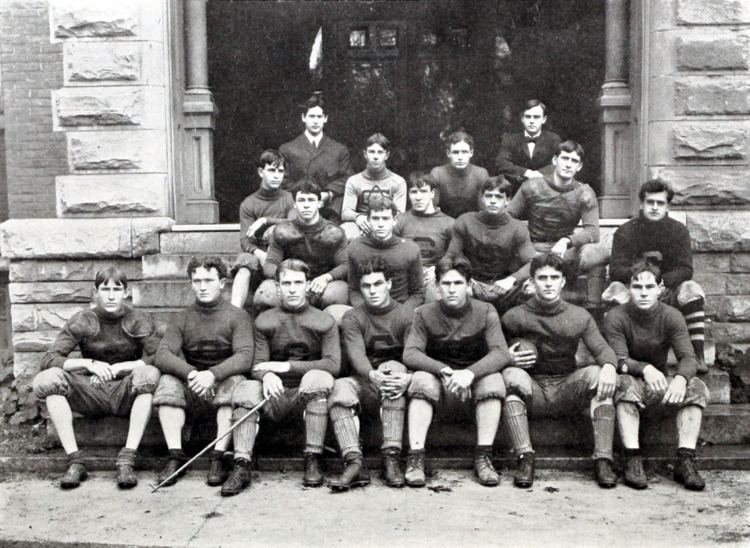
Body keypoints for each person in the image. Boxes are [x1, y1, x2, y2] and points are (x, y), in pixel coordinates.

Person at [32, 267, 161, 489]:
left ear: (126, 292)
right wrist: (87, 364)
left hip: (125, 390)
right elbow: (49, 358)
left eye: (117, 289)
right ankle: (75, 460)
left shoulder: (138, 319)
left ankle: (127, 458)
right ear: (96, 292)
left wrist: (122, 367)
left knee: (148, 375)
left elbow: (159, 356)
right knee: (48, 380)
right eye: (105, 289)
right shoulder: (83, 320)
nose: (111, 295)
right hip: (92, 390)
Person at [501, 253, 620, 489]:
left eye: (554, 277)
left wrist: (609, 366)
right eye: (542, 277)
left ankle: (603, 458)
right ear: (532, 282)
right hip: (532, 387)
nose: (548, 283)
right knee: (509, 377)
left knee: (598, 374)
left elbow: (603, 349)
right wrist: (508, 357)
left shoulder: (579, 315)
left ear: (563, 281)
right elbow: (492, 351)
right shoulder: (513, 316)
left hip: (567, 385)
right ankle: (525, 456)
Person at [226, 259, 340, 495]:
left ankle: (313, 457)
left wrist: (284, 367)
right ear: (277, 287)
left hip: (307, 395)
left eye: (298, 283)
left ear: (307, 285)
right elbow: (256, 364)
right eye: (286, 283)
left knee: (318, 378)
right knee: (246, 389)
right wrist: (266, 375)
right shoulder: (265, 319)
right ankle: (241, 464)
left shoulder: (324, 320)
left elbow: (333, 364)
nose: (292, 288)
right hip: (273, 394)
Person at [603, 260, 708, 491]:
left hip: (660, 386)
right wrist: (645, 368)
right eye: (637, 287)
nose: (643, 293)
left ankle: (685, 459)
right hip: (633, 381)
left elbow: (689, 357)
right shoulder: (616, 316)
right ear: (628, 289)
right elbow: (618, 360)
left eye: (649, 287)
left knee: (697, 387)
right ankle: (632, 457)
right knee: (624, 383)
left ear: (660, 289)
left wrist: (680, 379)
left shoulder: (671, 315)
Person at [403, 259, 509, 487]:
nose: (452, 289)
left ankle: (484, 456)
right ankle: (416, 458)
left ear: (469, 284)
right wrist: (443, 370)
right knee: (420, 380)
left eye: (458, 283)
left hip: (474, 383)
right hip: (440, 384)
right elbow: (411, 353)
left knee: (494, 380)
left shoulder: (486, 310)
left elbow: (501, 352)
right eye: (446, 283)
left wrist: (470, 373)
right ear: (437, 286)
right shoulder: (423, 313)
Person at [152, 256, 253, 489]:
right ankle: (175, 455)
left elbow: (245, 356)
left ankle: (217, 456)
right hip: (195, 384)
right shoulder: (182, 317)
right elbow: (163, 354)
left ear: (222, 283)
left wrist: (213, 375)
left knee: (236, 382)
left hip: (222, 382)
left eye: (209, 280)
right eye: (197, 281)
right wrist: (192, 374)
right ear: (190, 284)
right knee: (167, 381)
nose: (203, 286)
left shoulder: (237, 316)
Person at [326, 258, 415, 490]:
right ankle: (354, 462)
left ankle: (391, 458)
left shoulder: (407, 315)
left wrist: (406, 375)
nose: (372, 291)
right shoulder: (353, 317)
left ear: (389, 284)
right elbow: (356, 355)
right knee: (339, 388)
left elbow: (414, 353)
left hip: (395, 381)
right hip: (364, 379)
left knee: (394, 373)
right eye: (367, 286)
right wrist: (373, 374)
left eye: (378, 284)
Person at [603, 179, 707, 371]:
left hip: (667, 290)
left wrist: (663, 282)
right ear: (642, 204)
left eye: (660, 203)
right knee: (613, 290)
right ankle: (616, 356)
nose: (654, 207)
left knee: (692, 289)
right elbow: (616, 269)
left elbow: (685, 268)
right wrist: (641, 278)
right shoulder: (625, 231)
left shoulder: (678, 231)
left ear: (668, 206)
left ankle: (697, 355)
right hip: (637, 291)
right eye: (650, 202)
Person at [507, 140, 609, 305]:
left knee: (598, 254)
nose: (569, 164)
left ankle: (593, 310)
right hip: (533, 249)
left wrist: (566, 241)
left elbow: (593, 232)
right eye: (565, 158)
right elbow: (509, 217)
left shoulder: (584, 192)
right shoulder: (531, 186)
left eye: (574, 161)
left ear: (580, 166)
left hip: (564, 253)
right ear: (555, 160)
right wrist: (523, 241)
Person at [442, 176, 536, 315]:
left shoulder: (517, 228)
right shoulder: (465, 221)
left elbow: (532, 262)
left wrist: (511, 280)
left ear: (508, 200)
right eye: (489, 196)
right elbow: (450, 256)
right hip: (473, 283)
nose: (493, 201)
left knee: (534, 287)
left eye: (498, 197)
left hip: (504, 286)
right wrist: (453, 276)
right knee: (440, 282)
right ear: (482, 198)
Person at [254, 179, 349, 310]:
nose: (306, 205)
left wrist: (327, 277)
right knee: (265, 295)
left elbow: (345, 265)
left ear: (320, 203)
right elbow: (270, 264)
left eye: (311, 200)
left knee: (335, 295)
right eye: (301, 200)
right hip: (291, 280)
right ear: (295, 204)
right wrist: (290, 281)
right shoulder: (283, 231)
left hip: (321, 283)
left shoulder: (334, 232)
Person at [230, 149, 295, 311]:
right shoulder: (249, 203)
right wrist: (258, 253)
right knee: (244, 265)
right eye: (271, 170)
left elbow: (295, 223)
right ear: (261, 172)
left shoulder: (287, 198)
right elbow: (244, 239)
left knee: (275, 229)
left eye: (280, 171)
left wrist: (265, 221)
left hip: (282, 256)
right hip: (259, 256)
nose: (276, 175)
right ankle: (234, 313)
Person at [279, 93, 353, 222]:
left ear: (325, 118)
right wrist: (303, 194)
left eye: (319, 116)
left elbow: (348, 178)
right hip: (299, 207)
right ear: (303, 118)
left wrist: (329, 194)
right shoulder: (287, 149)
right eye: (311, 116)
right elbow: (283, 180)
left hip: (329, 209)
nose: (315, 121)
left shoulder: (339, 149)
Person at [347, 194, 424, 308]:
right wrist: (363, 311)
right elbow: (353, 290)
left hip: (400, 308)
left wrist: (402, 312)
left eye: (386, 218)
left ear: (394, 220)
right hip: (367, 310)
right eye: (376, 218)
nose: (381, 224)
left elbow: (418, 293)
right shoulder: (356, 246)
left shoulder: (410, 249)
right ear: (368, 220)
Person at [393, 172, 454, 302]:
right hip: (406, 277)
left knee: (437, 300)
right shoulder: (400, 221)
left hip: (433, 277)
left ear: (432, 194)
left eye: (423, 192)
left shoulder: (449, 223)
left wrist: (438, 270)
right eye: (414, 192)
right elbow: (391, 252)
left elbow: (455, 254)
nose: (418, 197)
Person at [340, 133, 407, 240]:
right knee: (345, 232)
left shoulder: (398, 181)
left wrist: (378, 226)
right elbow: (345, 212)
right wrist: (358, 217)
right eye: (371, 152)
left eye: (380, 152)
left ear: (387, 155)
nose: (375, 156)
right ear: (365, 154)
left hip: (386, 224)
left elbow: (399, 216)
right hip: (362, 224)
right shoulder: (354, 181)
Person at [495, 99, 561, 194]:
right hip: (517, 191)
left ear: (544, 119)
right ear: (522, 119)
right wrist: (526, 172)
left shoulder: (553, 139)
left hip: (545, 191)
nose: (531, 121)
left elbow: (559, 164)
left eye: (536, 117)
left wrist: (539, 174)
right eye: (528, 117)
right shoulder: (510, 139)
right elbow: (501, 163)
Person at [430, 131, 490, 219]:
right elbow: (432, 209)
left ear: (471, 153)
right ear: (448, 153)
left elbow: (484, 210)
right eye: (455, 152)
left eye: (464, 152)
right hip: (444, 224)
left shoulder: (480, 174)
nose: (460, 157)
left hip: (472, 224)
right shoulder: (438, 173)